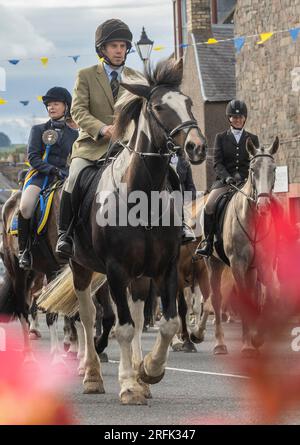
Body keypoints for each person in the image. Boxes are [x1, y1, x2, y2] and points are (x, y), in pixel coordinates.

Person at [55, 19, 138, 258]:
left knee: (163, 171)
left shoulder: (135, 78)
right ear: (102, 49)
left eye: (123, 46)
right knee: (73, 178)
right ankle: (65, 234)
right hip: (92, 146)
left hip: (126, 147)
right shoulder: (86, 75)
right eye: (114, 46)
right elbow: (79, 111)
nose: (119, 50)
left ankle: (175, 224)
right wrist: (102, 129)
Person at [18, 87, 78, 269]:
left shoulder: (74, 134)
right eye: (49, 105)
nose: (51, 108)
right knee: (26, 207)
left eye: (56, 104)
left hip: (64, 177)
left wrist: (67, 171)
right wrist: (52, 169)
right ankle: (24, 250)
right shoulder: (38, 130)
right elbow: (33, 158)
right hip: (40, 176)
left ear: (66, 107)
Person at [195, 99, 259, 257]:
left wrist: (247, 179)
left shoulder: (253, 138)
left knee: (265, 203)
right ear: (229, 118)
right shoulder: (221, 137)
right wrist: (227, 178)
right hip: (225, 182)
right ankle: (208, 242)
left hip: (246, 182)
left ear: (245, 118)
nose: (237, 120)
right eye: (234, 117)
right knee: (209, 205)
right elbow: (217, 163)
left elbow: (255, 162)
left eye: (240, 117)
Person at [170, 153, 197, 242]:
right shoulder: (160, 160)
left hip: (181, 197)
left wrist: (189, 199)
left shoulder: (184, 163)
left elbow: (190, 185)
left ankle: (184, 228)